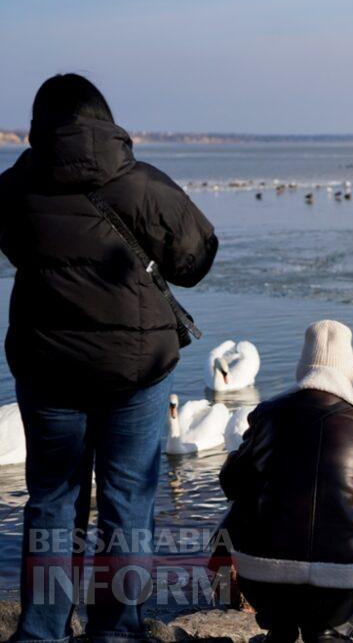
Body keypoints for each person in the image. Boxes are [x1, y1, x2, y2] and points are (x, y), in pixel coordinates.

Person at [0, 74, 218, 641]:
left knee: (52, 500)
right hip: (135, 371)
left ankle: (43, 631)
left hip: (48, 369)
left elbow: (15, 245)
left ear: (39, 126)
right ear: (106, 122)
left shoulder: (17, 188)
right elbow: (196, 261)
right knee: (126, 501)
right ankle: (116, 630)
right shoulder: (144, 187)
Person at [220, 320, 353, 642]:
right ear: (349, 369)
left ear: (303, 366)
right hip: (343, 582)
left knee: (244, 506)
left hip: (265, 577)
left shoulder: (267, 415)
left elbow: (232, 485)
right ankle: (330, 631)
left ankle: (279, 628)